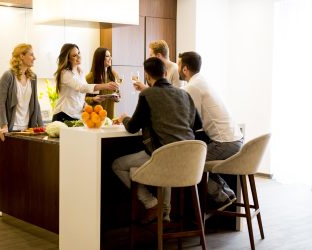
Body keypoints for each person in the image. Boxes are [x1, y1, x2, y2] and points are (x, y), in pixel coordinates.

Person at [112, 57, 202, 224]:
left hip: (164, 159)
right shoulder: (184, 94)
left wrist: (125, 118)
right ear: (166, 73)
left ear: (147, 76)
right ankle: (165, 215)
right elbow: (198, 125)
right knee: (165, 159)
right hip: (190, 163)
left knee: (118, 165)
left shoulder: (147, 94)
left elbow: (132, 127)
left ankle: (152, 203)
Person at [178, 51, 243, 205]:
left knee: (190, 163)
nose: (178, 68)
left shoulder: (192, 87)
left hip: (224, 143)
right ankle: (226, 194)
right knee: (197, 160)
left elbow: (189, 118)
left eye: (179, 65)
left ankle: (223, 196)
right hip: (235, 140)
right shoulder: (201, 81)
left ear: (185, 68)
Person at [52, 43, 119, 122]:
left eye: (79, 53)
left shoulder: (80, 72)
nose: (79, 56)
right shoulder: (65, 73)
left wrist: (84, 104)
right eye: (74, 55)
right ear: (68, 58)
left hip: (78, 116)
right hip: (64, 115)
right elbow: (82, 87)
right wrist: (105, 86)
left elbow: (81, 95)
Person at [0, 43, 43, 141]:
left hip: (26, 127)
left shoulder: (33, 77)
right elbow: (1, 103)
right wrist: (4, 126)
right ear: (22, 56)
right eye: (31, 55)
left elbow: (35, 103)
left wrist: (41, 126)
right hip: (9, 126)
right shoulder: (8, 76)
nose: (35, 58)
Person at [85, 47, 120, 119]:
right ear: (100, 59)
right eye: (107, 56)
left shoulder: (114, 75)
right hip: (95, 117)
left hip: (110, 116)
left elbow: (118, 93)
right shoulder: (90, 77)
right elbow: (82, 98)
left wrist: (117, 98)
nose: (111, 58)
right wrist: (93, 99)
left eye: (110, 56)